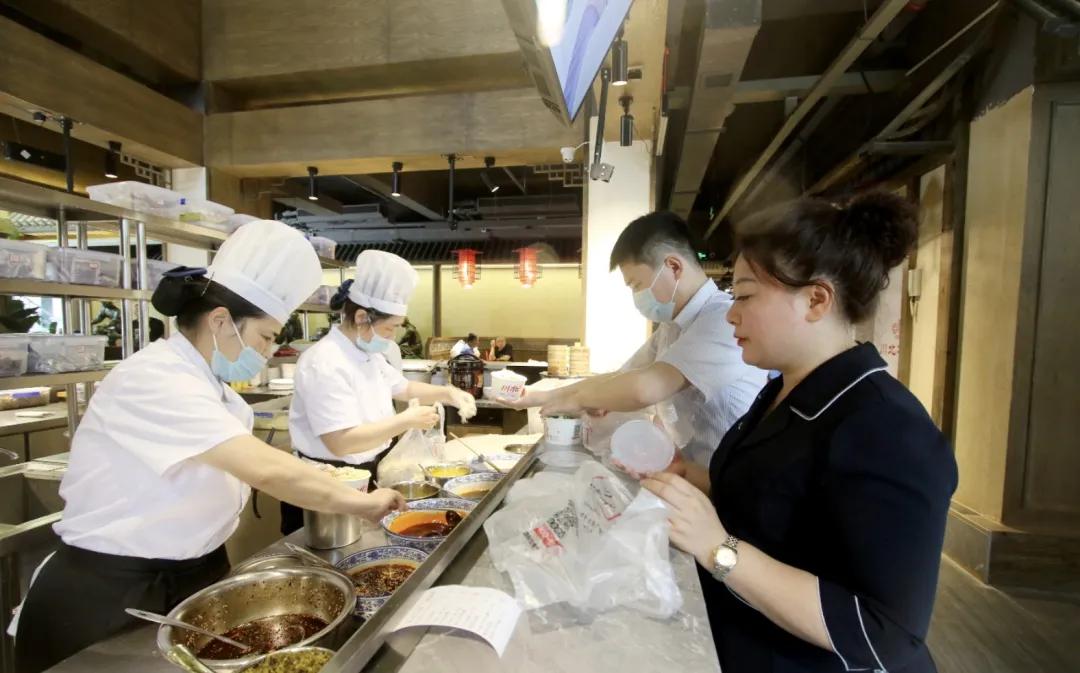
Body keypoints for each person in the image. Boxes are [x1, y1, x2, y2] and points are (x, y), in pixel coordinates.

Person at [12, 221, 407, 673]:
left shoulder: (215, 388)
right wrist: (361, 503)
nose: (267, 350)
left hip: (191, 579)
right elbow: (265, 469)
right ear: (221, 320)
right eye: (266, 336)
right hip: (113, 595)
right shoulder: (155, 378)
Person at [643, 193, 958, 672]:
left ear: (815, 299)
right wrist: (689, 476)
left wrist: (717, 549)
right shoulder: (783, 392)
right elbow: (771, 495)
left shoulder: (886, 430)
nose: (732, 314)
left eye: (745, 296)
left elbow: (884, 633)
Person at [509, 211, 767, 467]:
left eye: (636, 284)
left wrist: (580, 400)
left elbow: (644, 388)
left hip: (729, 483)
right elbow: (623, 376)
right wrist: (541, 396)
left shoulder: (721, 320)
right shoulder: (672, 327)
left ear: (673, 267)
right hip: (693, 476)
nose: (636, 295)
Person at [284, 250, 477, 534]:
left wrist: (448, 393)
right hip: (326, 481)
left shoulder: (367, 354)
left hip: (366, 474)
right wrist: (406, 421)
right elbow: (341, 442)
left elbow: (404, 387)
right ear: (362, 317)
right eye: (389, 328)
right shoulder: (324, 362)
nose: (393, 337)